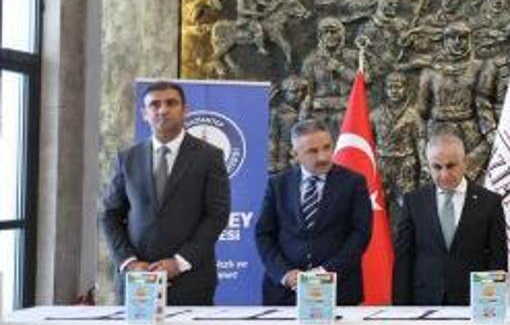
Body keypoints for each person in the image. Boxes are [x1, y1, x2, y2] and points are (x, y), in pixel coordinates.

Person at [99, 80, 231, 305]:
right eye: (155, 105)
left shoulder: (209, 156)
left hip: (191, 281)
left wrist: (179, 262)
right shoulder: (127, 159)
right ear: (144, 113)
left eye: (171, 103)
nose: (163, 110)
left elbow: (216, 215)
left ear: (185, 110)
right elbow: (110, 215)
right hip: (138, 280)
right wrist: (130, 263)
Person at [254, 119, 372, 306]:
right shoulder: (278, 184)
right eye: (312, 151)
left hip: (339, 290)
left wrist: (325, 273)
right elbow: (263, 234)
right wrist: (285, 273)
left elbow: (360, 234)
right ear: (295, 154)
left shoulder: (353, 183)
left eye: (327, 147)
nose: (323, 157)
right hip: (285, 294)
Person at [392, 128, 507, 305]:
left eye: (451, 165)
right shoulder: (414, 202)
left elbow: (497, 259)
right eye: (437, 167)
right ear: (428, 165)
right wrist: (401, 308)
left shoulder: (489, 202)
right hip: (425, 301)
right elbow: (404, 259)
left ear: (465, 162)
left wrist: (490, 305)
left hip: (473, 302)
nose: (444, 174)